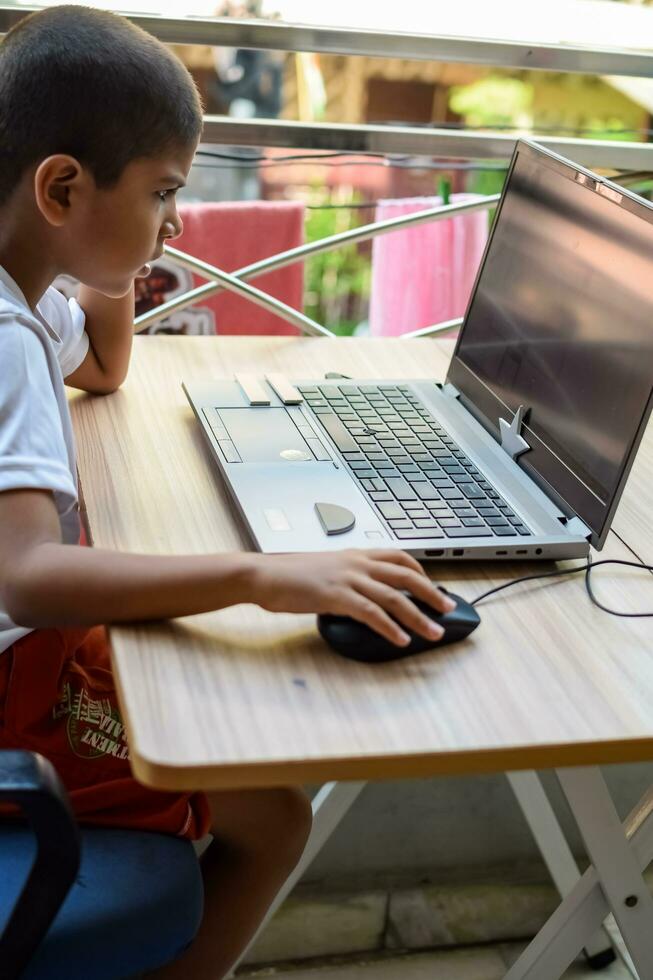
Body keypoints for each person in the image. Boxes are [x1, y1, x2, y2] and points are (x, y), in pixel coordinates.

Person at [0, 7, 456, 978]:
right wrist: (260, 572)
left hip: (22, 669)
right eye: (164, 191)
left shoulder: (28, 295)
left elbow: (108, 367)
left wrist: (114, 253)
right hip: (11, 714)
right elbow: (29, 576)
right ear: (62, 187)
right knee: (272, 806)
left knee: (222, 709)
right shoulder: (3, 338)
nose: (178, 221)